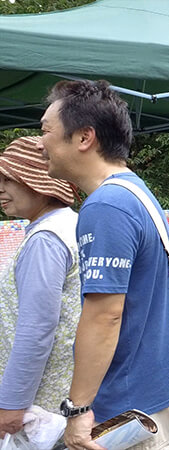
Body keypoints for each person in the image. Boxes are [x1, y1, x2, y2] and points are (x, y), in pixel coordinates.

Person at [38, 80, 169, 449]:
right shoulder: (133, 189)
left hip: (135, 405)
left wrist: (77, 412)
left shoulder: (106, 206)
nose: (39, 142)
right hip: (162, 386)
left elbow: (104, 315)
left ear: (83, 137)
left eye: (45, 130)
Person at [0, 136, 80, 437]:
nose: (0, 189)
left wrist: (12, 403)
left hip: (44, 408)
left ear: (40, 182)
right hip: (68, 395)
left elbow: (36, 329)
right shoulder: (71, 224)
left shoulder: (45, 240)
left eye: (9, 179)